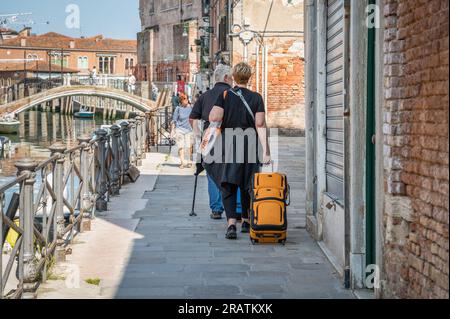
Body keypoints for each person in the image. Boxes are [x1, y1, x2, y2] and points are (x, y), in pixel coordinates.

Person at [206, 62, 271, 240]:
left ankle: (231, 224)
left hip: (229, 144)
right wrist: (266, 151)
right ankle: (247, 220)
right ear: (249, 77)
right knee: (247, 182)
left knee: (228, 182)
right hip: (250, 144)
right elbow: (260, 124)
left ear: (233, 77)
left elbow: (214, 117)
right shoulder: (257, 97)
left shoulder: (225, 94)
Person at [189, 64, 233, 220]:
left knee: (212, 172)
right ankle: (238, 208)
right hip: (231, 137)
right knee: (233, 171)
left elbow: (193, 118)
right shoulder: (233, 94)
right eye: (231, 77)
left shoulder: (205, 96)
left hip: (210, 137)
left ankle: (216, 208)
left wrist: (198, 135)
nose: (233, 80)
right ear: (226, 78)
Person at [171, 94, 194, 169]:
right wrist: (172, 131)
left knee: (189, 147)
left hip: (189, 130)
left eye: (186, 99)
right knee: (181, 147)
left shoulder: (191, 108)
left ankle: (189, 160)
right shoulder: (178, 108)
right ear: (181, 101)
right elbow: (174, 120)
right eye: (184, 99)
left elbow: (194, 118)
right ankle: (182, 162)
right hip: (179, 130)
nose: (186, 100)